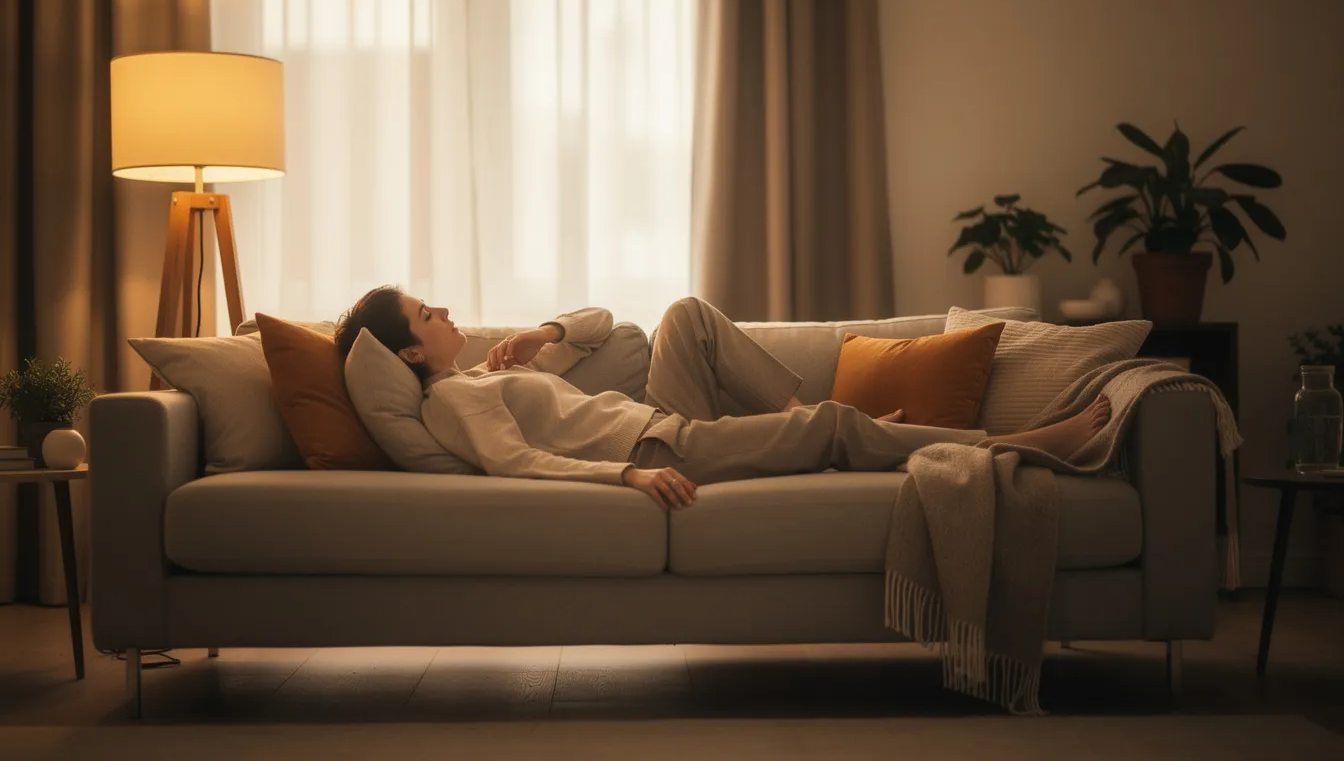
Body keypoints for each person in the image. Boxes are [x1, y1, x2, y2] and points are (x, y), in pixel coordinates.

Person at [334, 288, 1111, 511]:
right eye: (425, 315)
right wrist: (628, 475)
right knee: (835, 426)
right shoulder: (450, 403)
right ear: (410, 354)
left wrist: (544, 335)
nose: (442, 309)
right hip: (656, 447)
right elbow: (516, 462)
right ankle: (1022, 445)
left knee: (687, 315)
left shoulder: (485, 373)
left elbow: (608, 323)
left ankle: (793, 426)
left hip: (664, 421)